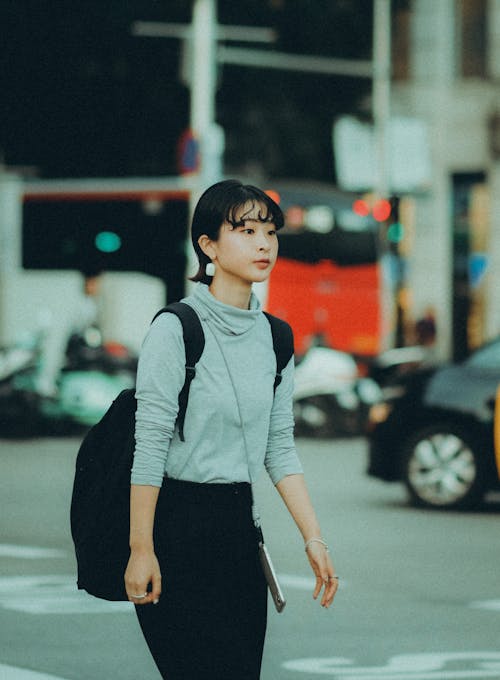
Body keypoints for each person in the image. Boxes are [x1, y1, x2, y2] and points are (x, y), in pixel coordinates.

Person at [125, 179, 339, 679]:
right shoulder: (175, 329)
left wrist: (314, 538)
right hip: (176, 533)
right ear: (208, 246)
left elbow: (279, 447)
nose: (263, 243)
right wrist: (141, 549)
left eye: (270, 231)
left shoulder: (276, 338)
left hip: (240, 535)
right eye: (245, 230)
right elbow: (150, 444)